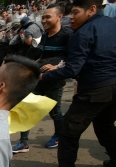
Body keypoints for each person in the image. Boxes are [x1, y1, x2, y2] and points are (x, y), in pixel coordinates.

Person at [39, 0, 116, 167]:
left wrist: (45, 76)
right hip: (115, 87)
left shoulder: (82, 33)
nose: (71, 17)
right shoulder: (114, 24)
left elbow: (73, 68)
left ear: (92, 9)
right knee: (104, 125)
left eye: (75, 13)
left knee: (68, 132)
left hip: (95, 88)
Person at [12, 3, 72, 153]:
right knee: (27, 108)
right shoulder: (45, 36)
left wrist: (57, 66)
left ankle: (59, 136)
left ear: (60, 17)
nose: (44, 20)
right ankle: (24, 142)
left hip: (54, 81)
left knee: (55, 112)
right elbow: (42, 57)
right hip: (39, 79)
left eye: (47, 17)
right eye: (43, 17)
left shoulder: (67, 35)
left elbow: (74, 58)